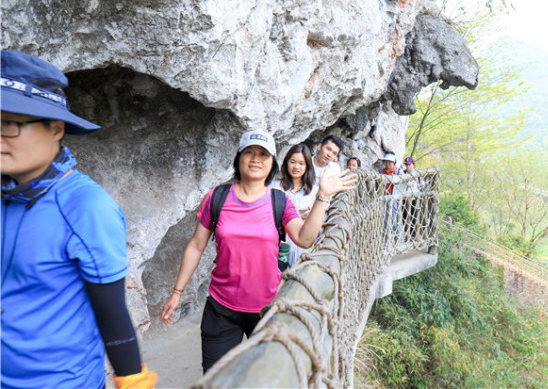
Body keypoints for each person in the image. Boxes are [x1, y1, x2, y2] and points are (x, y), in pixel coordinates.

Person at [0, 51, 156, 388]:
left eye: (8, 124)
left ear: (56, 128)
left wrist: (132, 380)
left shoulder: (85, 207)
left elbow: (112, 314)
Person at [161, 130, 356, 373]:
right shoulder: (217, 198)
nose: (255, 159)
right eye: (249, 152)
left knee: (264, 378)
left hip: (267, 309)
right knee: (215, 377)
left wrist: (323, 195)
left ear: (273, 163)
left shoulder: (280, 201)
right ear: (239, 158)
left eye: (263, 154)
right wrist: (177, 292)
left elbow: (305, 239)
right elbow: (196, 245)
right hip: (221, 309)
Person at [272, 143, 318, 265]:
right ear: (286, 163)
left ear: (307, 166)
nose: (296, 167)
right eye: (292, 162)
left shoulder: (315, 193)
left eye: (301, 163)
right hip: (278, 253)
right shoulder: (274, 188)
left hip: (306, 255)